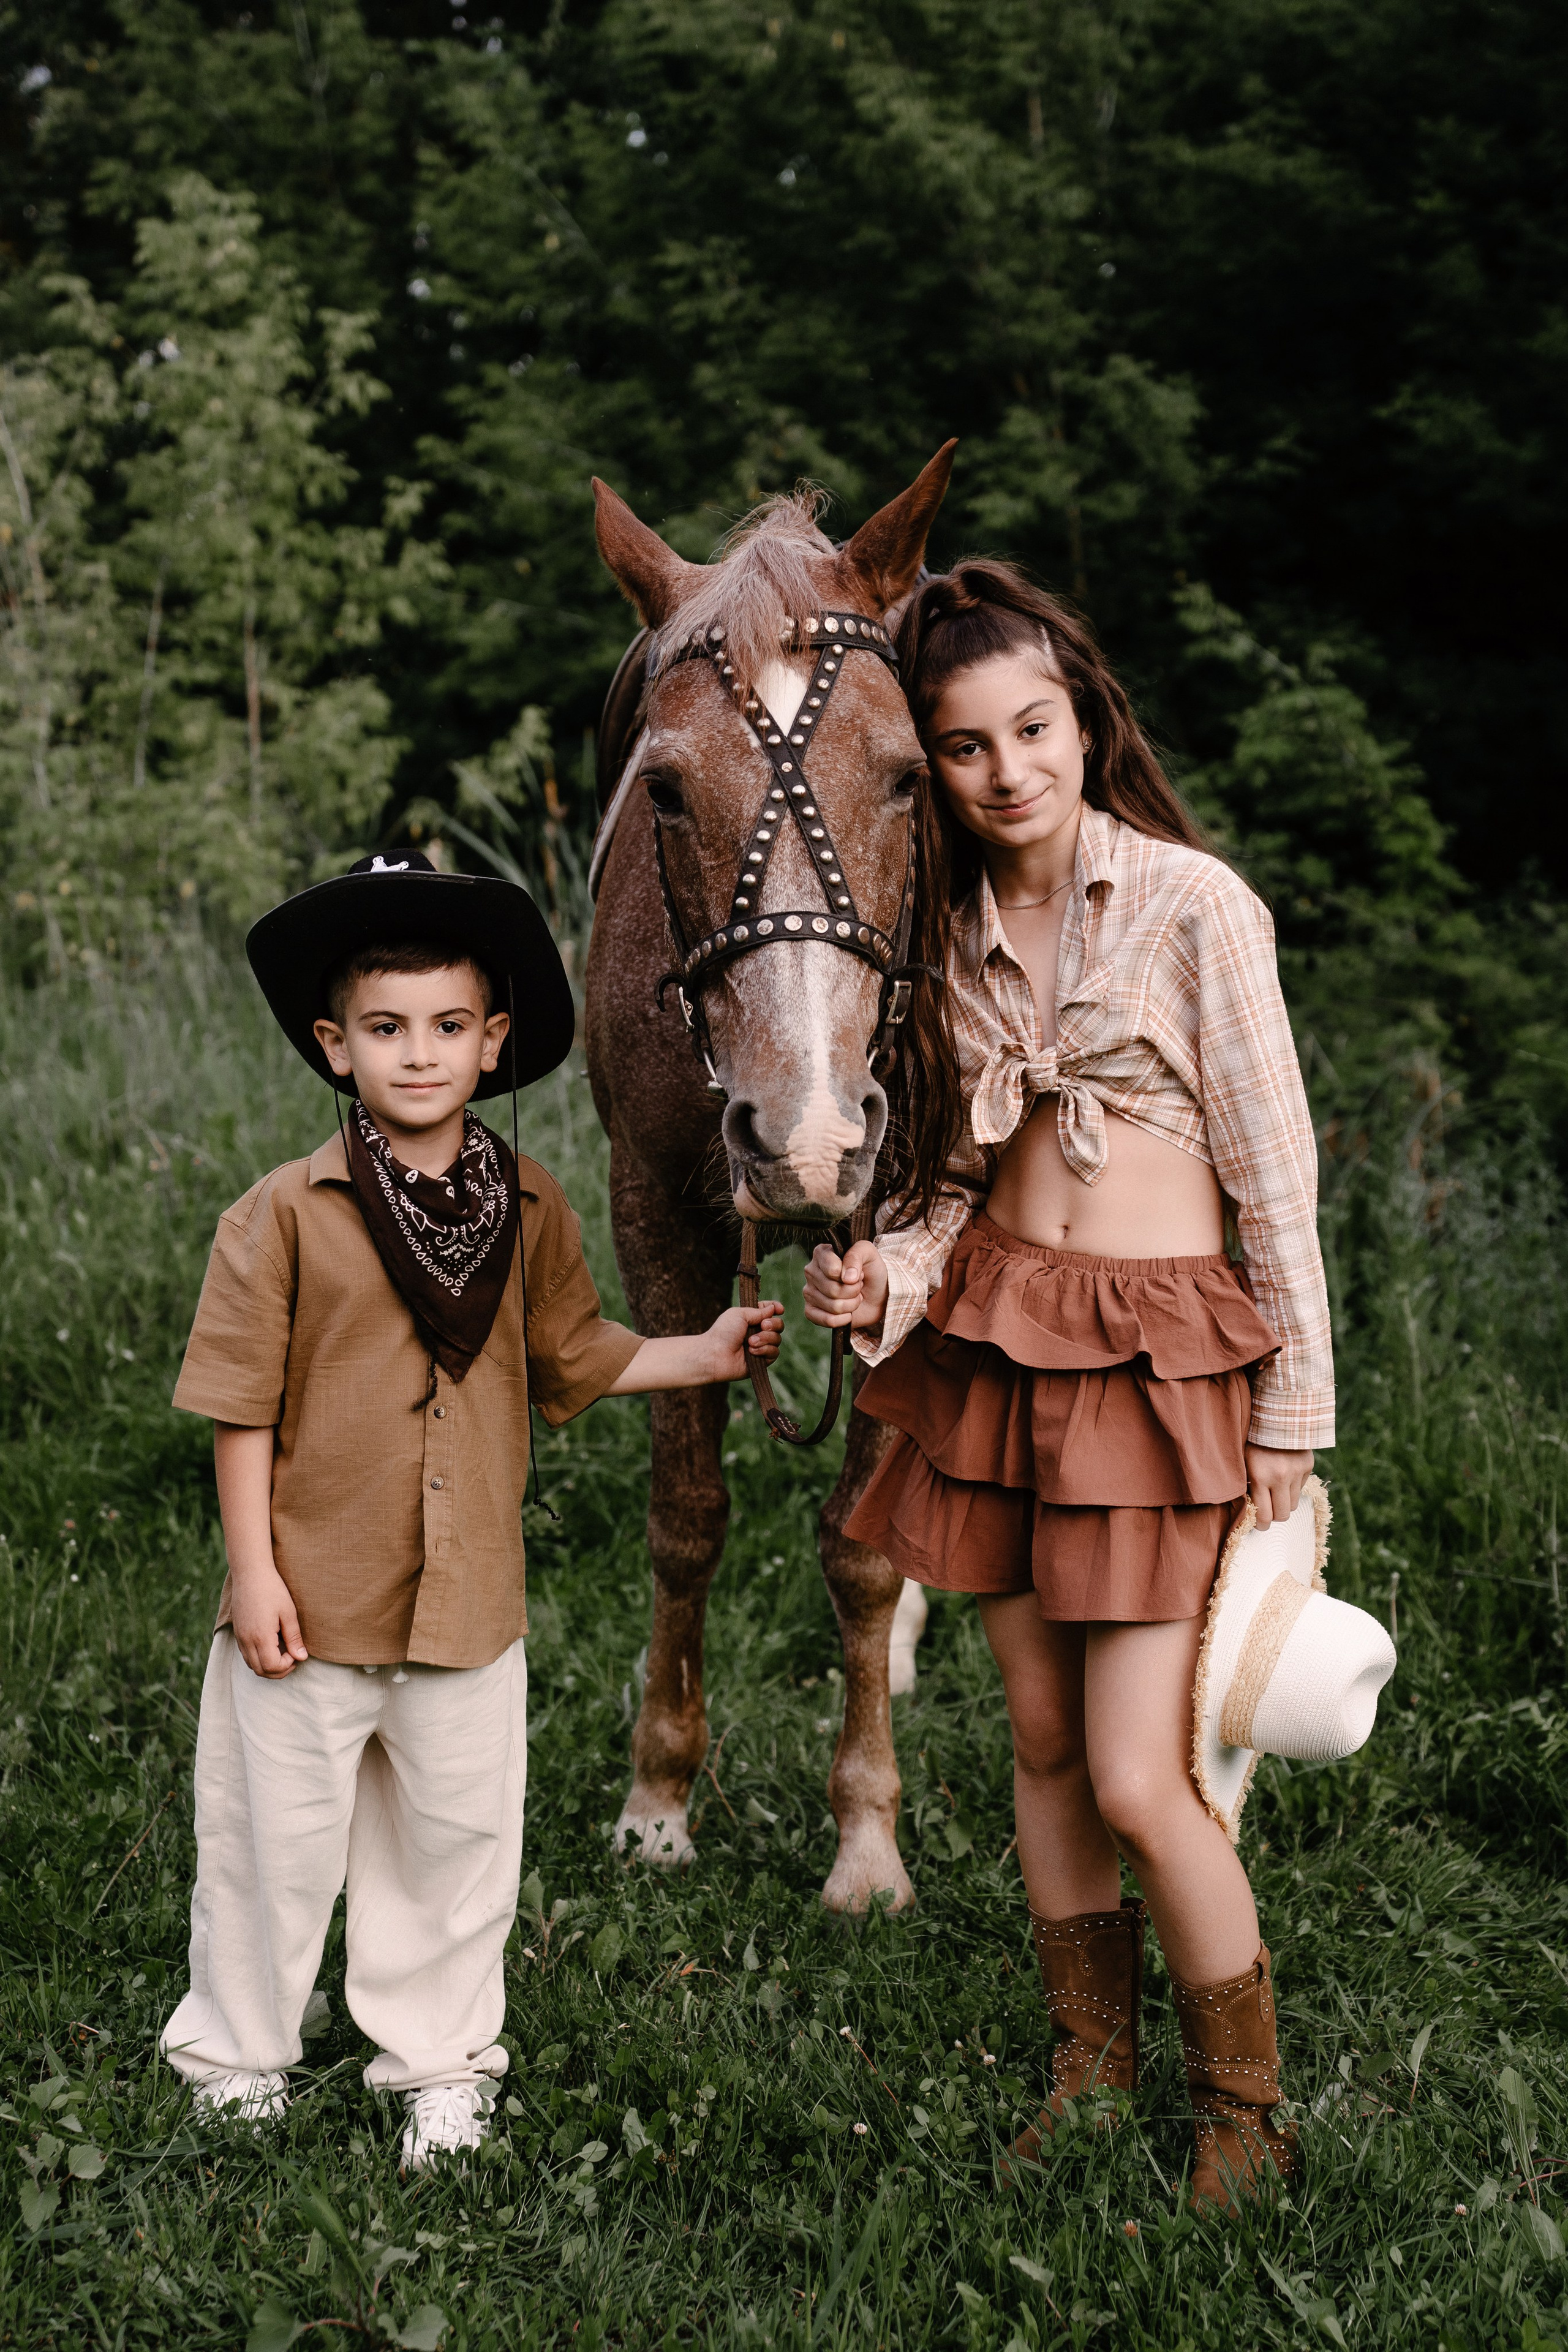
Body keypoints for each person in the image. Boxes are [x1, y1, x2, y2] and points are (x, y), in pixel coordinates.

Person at [803, 564, 1333, 2212]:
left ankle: (1243, 2110)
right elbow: (955, 1186)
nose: (1007, 770)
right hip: (996, 1342)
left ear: (1083, 720)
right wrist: (885, 1279)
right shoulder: (944, 933)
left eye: (1032, 728)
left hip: (1153, 1369)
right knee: (1037, 1741)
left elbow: (1276, 1179)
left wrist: (1292, 1414)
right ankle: (1089, 2072)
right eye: (964, 748)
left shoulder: (1191, 904)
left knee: (1134, 1772)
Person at [159, 851, 782, 2171]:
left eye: (448, 1026)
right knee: (273, 1846)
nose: (419, 1054)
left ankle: (439, 2064)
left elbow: (574, 1353)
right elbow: (239, 1408)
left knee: (453, 1848)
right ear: (334, 1045)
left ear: (493, 1039)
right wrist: (253, 1573)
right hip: (311, 1600)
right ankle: (239, 2052)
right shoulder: (282, 1215)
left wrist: (708, 1350)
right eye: (385, 1029)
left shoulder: (529, 1203)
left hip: (466, 1602)